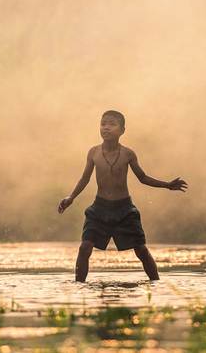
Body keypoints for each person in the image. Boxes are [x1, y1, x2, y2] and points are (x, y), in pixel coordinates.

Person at [57, 110, 187, 282]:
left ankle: (156, 285)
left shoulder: (128, 153)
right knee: (84, 247)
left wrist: (167, 185)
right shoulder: (94, 152)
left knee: (141, 250)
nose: (106, 128)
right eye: (103, 123)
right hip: (99, 209)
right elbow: (85, 178)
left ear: (122, 130)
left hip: (124, 210)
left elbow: (143, 177)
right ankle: (79, 286)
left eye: (112, 124)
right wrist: (71, 197)